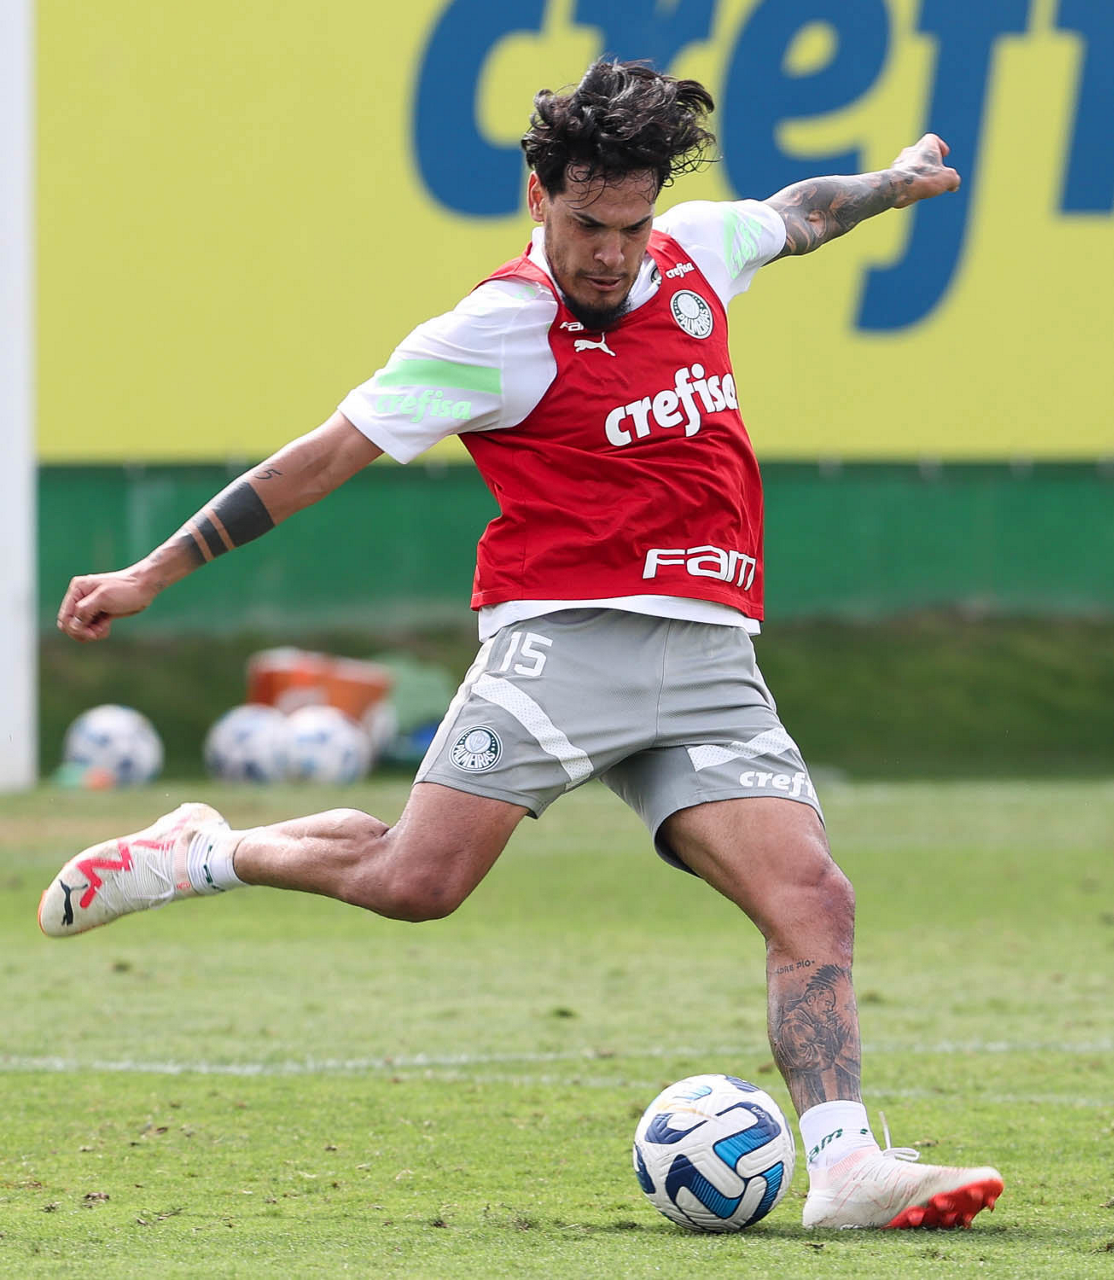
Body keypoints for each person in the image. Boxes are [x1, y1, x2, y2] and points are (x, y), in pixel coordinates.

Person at [42, 59, 1003, 1230]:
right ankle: (204, 852)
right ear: (539, 196)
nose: (613, 254)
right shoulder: (492, 329)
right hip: (563, 644)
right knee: (418, 882)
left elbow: (800, 213)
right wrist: (153, 570)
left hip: (711, 659)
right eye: (589, 225)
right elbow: (322, 456)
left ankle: (844, 1166)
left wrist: (892, 183)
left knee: (813, 895)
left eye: (632, 227)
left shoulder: (696, 251)